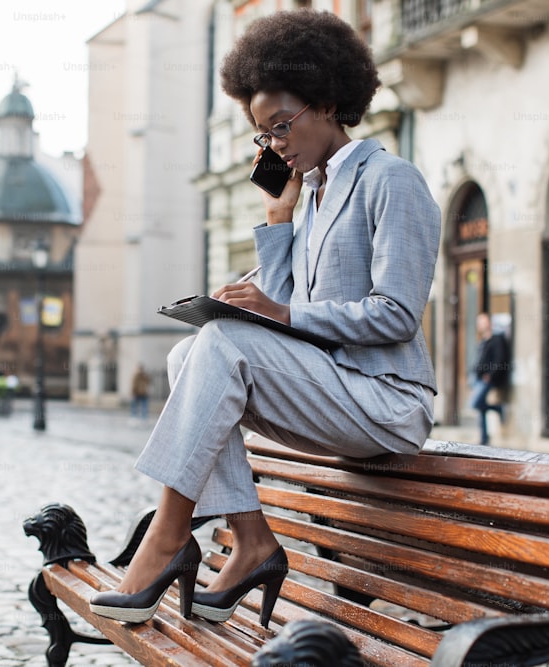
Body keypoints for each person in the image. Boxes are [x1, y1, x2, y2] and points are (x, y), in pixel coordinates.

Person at [88, 9, 441, 629]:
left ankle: (167, 536)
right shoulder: (309, 197)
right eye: (264, 136)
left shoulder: (391, 179)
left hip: (386, 399)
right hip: (329, 390)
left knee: (221, 346)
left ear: (328, 103)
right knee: (187, 353)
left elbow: (397, 314)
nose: (275, 146)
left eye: (281, 126)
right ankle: (251, 539)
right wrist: (279, 220)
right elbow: (286, 305)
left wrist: (278, 312)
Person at [470, 312, 510, 445]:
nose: (481, 325)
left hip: (487, 379)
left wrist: (491, 375)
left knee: (475, 403)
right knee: (481, 409)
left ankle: (497, 408)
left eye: (484, 321)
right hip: (478, 377)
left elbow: (500, 359)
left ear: (489, 322)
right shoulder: (482, 341)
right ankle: (484, 437)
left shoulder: (497, 339)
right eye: (479, 322)